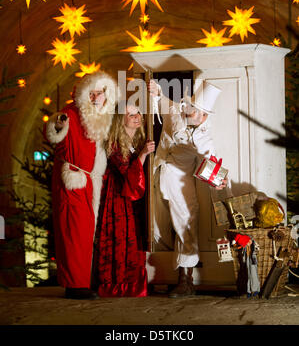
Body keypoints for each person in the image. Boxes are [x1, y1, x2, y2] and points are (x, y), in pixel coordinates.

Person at [149, 79, 228, 298]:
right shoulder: (176, 111)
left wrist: (218, 181)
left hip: (181, 184)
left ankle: (186, 280)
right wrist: (155, 90)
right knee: (156, 227)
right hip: (157, 177)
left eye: (195, 110)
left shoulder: (204, 139)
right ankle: (159, 275)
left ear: (204, 116)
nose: (189, 110)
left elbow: (210, 166)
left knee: (186, 226)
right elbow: (160, 99)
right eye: (190, 106)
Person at [44, 71, 119, 299]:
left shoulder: (100, 118)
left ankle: (81, 281)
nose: (97, 97)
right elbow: (56, 131)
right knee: (73, 232)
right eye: (93, 93)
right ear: (85, 94)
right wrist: (58, 124)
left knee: (85, 233)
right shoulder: (71, 113)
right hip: (73, 180)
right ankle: (75, 286)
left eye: (101, 93)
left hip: (90, 182)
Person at [94, 103, 155, 297]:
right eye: (131, 114)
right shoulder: (113, 144)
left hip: (133, 200)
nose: (137, 117)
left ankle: (133, 284)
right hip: (117, 199)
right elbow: (128, 175)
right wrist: (144, 155)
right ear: (122, 119)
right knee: (119, 238)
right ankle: (117, 285)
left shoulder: (137, 140)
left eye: (138, 112)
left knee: (135, 239)